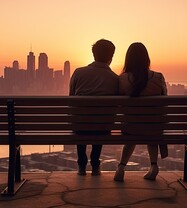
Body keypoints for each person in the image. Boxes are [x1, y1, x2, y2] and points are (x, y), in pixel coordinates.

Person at [113, 42, 168, 182]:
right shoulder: (158, 77)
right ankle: (154, 165)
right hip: (154, 128)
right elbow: (165, 100)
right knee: (151, 129)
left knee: (134, 128)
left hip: (131, 127)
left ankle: (121, 167)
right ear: (146, 58)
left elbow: (118, 101)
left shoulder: (123, 78)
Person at [69, 39, 119, 176]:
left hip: (80, 127)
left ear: (93, 54)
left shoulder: (78, 73)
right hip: (102, 128)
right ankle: (95, 163)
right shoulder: (115, 78)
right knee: (101, 119)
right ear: (111, 57)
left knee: (81, 117)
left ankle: (81, 163)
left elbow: (71, 99)